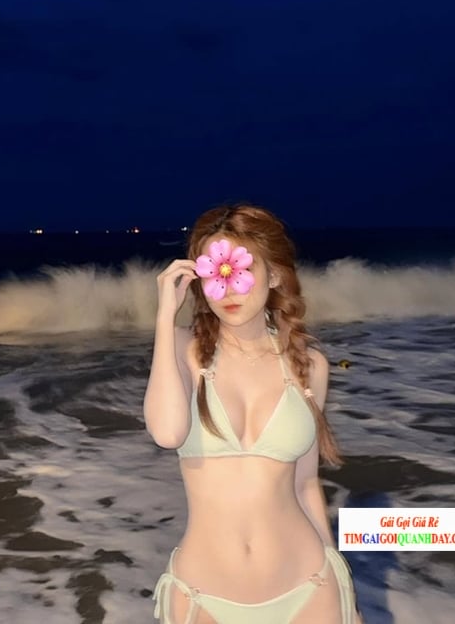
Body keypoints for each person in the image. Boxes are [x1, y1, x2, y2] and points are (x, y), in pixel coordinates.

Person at [144, 204, 362, 623]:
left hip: (309, 589)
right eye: (215, 273)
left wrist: (341, 586)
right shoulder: (182, 349)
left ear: (274, 274)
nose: (228, 289)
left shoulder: (309, 366)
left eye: (239, 269)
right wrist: (164, 316)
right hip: (203, 596)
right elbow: (167, 433)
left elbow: (305, 484)